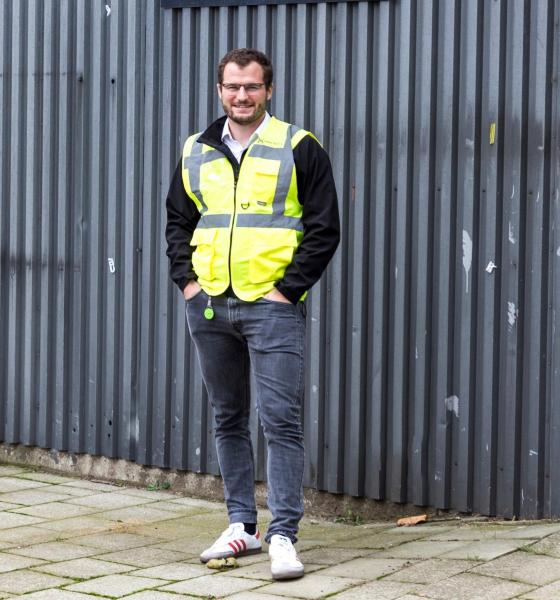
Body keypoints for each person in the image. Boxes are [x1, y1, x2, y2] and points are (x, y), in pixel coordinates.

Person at [165, 48, 340, 580]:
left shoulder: (298, 146)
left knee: (280, 420)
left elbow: (324, 226)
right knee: (227, 417)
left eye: (252, 87)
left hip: (272, 307)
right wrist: (189, 284)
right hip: (211, 305)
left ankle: (284, 533)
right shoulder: (196, 149)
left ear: (269, 90)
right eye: (232, 87)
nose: (242, 96)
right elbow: (178, 221)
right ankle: (243, 525)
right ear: (219, 90)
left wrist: (288, 290)